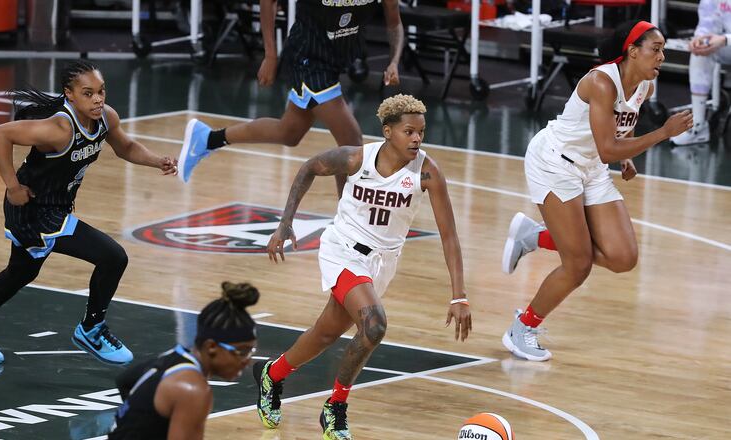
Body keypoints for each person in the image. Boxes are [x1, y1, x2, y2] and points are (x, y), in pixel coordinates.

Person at [255, 94, 472, 440]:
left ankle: (272, 374)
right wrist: (285, 223)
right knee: (374, 325)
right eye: (409, 132)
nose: (417, 139)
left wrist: (459, 296)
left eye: (421, 132)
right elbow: (310, 166)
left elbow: (450, 237)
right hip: (342, 250)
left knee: (326, 333)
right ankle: (335, 409)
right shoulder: (358, 158)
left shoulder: (428, 172)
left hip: (383, 262)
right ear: (388, 132)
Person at [0, 60, 178, 366]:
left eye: (101, 91)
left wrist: (157, 161)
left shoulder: (106, 118)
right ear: (69, 95)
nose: (98, 99)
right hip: (32, 208)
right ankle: (91, 329)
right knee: (113, 256)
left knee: (22, 272)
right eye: (88, 93)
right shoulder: (59, 128)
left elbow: (126, 147)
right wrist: (12, 186)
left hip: (56, 205)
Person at [499, 21, 693, 361]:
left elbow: (616, 135)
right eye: (656, 49)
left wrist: (626, 157)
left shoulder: (645, 86)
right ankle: (522, 328)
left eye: (663, 50)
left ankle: (536, 237)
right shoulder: (601, 82)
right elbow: (607, 147)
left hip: (592, 166)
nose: (662, 57)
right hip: (555, 163)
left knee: (623, 258)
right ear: (633, 51)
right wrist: (663, 133)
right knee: (578, 265)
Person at [177, 0, 405, 196]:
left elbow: (394, 22)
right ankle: (347, 226)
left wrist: (394, 61)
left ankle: (207, 139)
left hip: (334, 61)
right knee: (351, 141)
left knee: (289, 133)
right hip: (307, 58)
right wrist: (270, 56)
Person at [108, 282, 259, 439]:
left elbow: (124, 380)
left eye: (251, 351)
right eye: (242, 351)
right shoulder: (193, 390)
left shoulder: (174, 356)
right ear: (212, 347)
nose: (247, 360)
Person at [670, 0, 731, 145]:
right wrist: (700, 39)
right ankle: (698, 125)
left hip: (727, 41)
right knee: (700, 52)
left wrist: (724, 40)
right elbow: (707, 22)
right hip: (726, 43)